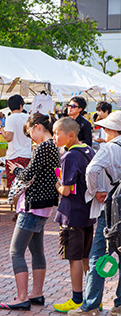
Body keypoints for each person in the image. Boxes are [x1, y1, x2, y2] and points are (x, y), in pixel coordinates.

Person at [0, 113, 60, 311]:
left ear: (37, 127)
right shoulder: (53, 147)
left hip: (33, 205)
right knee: (36, 251)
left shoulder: (44, 147)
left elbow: (27, 174)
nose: (30, 137)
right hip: (44, 206)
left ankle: (22, 297)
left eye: (29, 132)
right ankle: (36, 293)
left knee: (16, 251)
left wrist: (16, 170)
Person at [68, 111, 121, 316]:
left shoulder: (108, 148)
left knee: (98, 254)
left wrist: (95, 190)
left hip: (109, 207)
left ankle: (91, 305)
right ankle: (119, 303)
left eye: (106, 128)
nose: (103, 131)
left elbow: (91, 170)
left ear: (113, 129)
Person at [52, 117, 95, 313]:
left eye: (56, 133)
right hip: (87, 212)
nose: (54, 137)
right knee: (86, 256)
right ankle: (92, 297)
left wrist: (57, 185)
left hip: (71, 214)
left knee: (74, 258)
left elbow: (67, 190)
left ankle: (77, 298)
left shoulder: (69, 156)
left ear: (70, 135)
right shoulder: (88, 150)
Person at [0, 95, 32, 190]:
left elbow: (8, 137)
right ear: (21, 105)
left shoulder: (11, 118)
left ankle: (17, 205)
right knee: (26, 186)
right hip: (27, 155)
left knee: (14, 188)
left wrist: (0, 127)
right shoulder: (29, 117)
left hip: (13, 156)